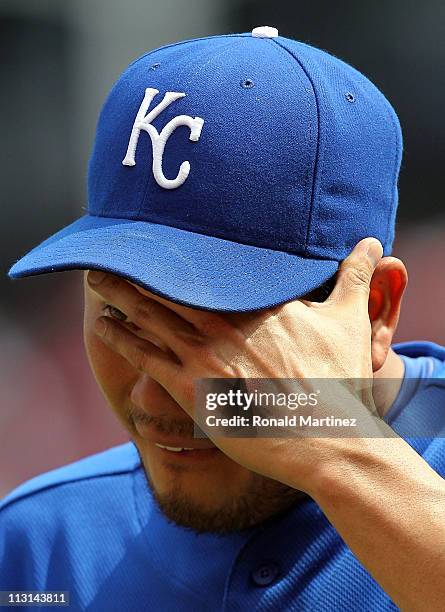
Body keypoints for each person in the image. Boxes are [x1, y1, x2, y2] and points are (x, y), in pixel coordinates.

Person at [2, 26, 445, 611]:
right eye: (123, 319)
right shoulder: (40, 547)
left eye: (208, 334)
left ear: (374, 309)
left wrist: (344, 455)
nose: (158, 401)